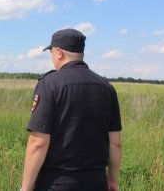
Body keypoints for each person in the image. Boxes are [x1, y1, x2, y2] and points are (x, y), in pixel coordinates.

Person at [21, 28, 122, 191]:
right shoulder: (107, 87)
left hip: (55, 183)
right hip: (97, 183)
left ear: (59, 52)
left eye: (51, 52)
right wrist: (112, 181)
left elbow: (38, 143)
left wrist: (25, 188)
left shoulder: (49, 84)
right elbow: (115, 143)